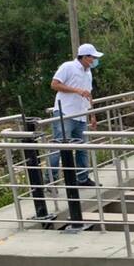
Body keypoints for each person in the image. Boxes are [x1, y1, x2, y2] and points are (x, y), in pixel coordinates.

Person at [49, 43, 102, 187]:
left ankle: (82, 178)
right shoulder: (68, 67)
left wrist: (92, 114)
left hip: (81, 114)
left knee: (82, 148)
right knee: (59, 146)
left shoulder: (88, 72)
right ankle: (49, 180)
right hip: (65, 113)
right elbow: (54, 84)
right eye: (93, 57)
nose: (95, 60)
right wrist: (76, 90)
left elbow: (88, 94)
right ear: (85, 57)